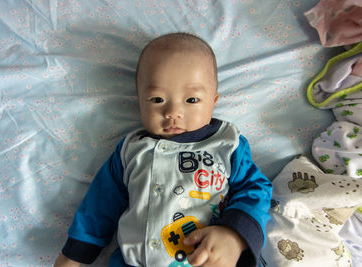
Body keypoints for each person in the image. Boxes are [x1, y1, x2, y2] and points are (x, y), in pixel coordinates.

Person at [54, 32, 272, 267]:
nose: (173, 112)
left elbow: (256, 189)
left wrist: (234, 235)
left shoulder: (226, 144)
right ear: (139, 100)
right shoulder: (131, 152)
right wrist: (75, 255)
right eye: (157, 100)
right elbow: (100, 205)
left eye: (191, 100)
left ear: (214, 100)